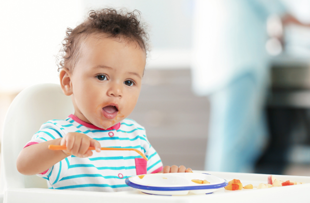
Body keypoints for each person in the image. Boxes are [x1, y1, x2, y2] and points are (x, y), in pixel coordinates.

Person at [16, 8, 192, 192]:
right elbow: (24, 164)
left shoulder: (136, 136)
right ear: (69, 82)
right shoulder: (59, 133)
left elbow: (152, 183)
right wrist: (63, 147)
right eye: (102, 77)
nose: (116, 91)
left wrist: (171, 177)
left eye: (129, 82)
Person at [191, 0, 308, 173]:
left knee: (249, 140)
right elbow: (282, 13)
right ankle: (220, 196)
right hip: (238, 63)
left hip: (224, 62)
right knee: (235, 142)